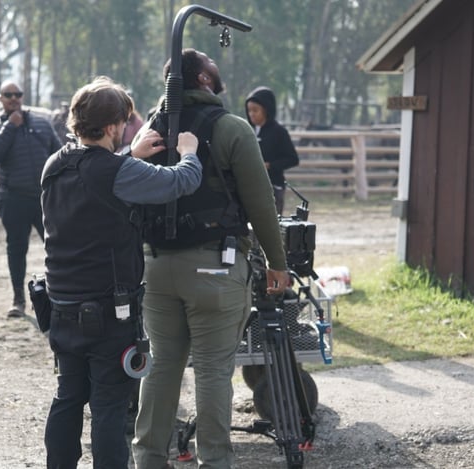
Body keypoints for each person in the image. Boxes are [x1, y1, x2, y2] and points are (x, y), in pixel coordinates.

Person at [132, 49, 291, 469]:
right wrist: (278, 263)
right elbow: (261, 204)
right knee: (213, 371)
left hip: (156, 269)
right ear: (203, 79)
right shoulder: (232, 129)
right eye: (209, 62)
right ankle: (215, 462)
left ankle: (147, 459)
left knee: (162, 367)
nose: (215, 66)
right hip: (214, 269)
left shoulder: (150, 128)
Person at [41, 75, 203, 469]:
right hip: (107, 313)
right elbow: (184, 180)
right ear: (113, 126)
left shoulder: (55, 165)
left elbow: (97, 178)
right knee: (109, 406)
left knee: (68, 398)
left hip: (60, 306)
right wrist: (190, 150)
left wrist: (130, 155)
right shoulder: (117, 173)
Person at [0, 80, 62, 319]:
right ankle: (19, 300)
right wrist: (10, 127)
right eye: (8, 94)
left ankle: (58, 296)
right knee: (17, 248)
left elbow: (57, 154)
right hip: (12, 198)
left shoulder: (42, 123)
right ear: (0, 98)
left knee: (56, 247)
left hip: (42, 198)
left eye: (17, 94)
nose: (14, 98)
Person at [245, 86, 300, 215]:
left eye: (255, 110)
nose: (251, 114)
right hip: (251, 187)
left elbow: (293, 159)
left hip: (273, 187)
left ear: (266, 109)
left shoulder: (279, 132)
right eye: (249, 110)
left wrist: (269, 165)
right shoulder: (248, 131)